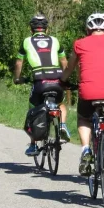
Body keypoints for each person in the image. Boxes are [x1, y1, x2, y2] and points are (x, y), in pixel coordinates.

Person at [60, 12, 104, 175]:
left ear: (88, 28)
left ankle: (85, 150)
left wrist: (62, 80)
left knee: (84, 118)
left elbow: (69, 67)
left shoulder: (79, 44)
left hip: (88, 93)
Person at [13, 14, 70, 157]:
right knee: (60, 104)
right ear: (47, 29)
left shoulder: (27, 41)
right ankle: (62, 125)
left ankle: (33, 145)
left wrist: (17, 78)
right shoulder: (55, 40)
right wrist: (65, 79)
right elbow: (64, 61)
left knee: (33, 109)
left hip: (39, 80)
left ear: (31, 29)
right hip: (56, 78)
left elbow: (19, 63)